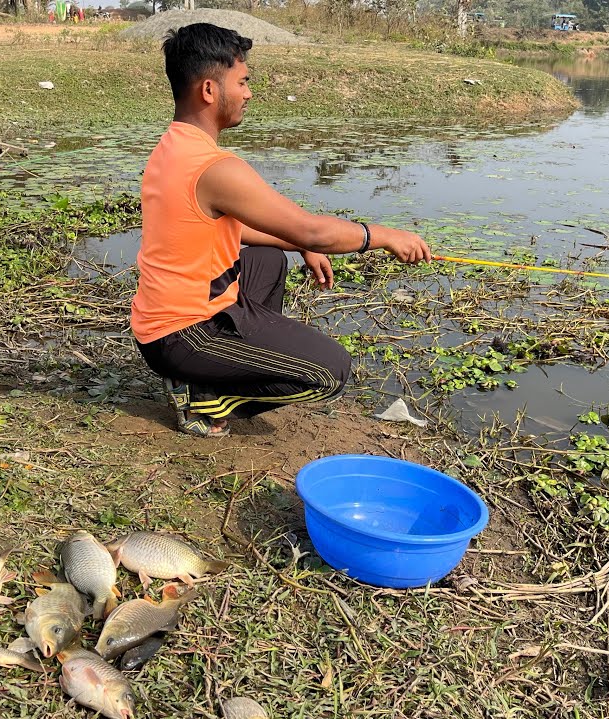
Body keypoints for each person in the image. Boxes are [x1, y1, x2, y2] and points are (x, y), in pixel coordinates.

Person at [131, 23, 432, 438]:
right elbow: (313, 231)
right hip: (182, 334)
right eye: (242, 82)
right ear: (209, 90)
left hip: (164, 322)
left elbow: (238, 229)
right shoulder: (214, 168)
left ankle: (228, 364)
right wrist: (382, 236)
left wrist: (297, 245)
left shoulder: (174, 146)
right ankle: (204, 396)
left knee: (268, 259)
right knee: (330, 371)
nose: (248, 93)